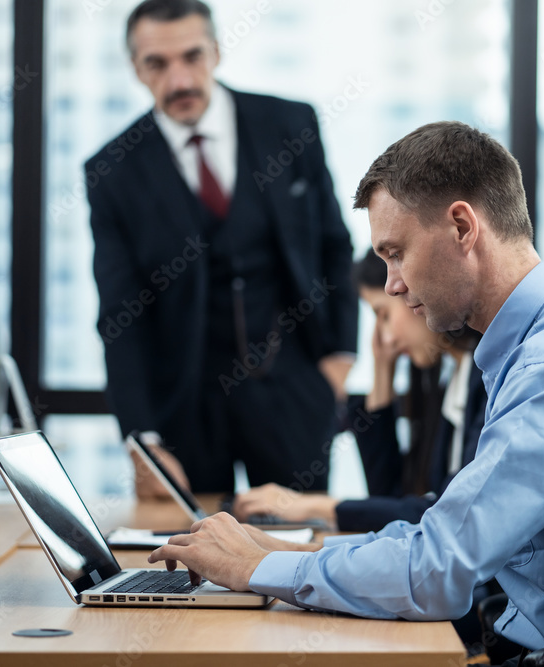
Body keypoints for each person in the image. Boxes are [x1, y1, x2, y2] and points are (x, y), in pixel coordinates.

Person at [147, 121, 544, 657]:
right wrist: (287, 555)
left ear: (461, 227)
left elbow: (437, 573)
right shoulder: (536, 345)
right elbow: (439, 536)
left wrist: (258, 569)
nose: (393, 285)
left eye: (395, 254)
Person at [85, 0, 358, 494]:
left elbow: (335, 245)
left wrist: (339, 359)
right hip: (184, 408)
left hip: (295, 391)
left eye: (192, 56)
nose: (180, 80)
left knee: (298, 557)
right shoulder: (112, 172)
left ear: (216, 50)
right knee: (187, 562)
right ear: (135, 69)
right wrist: (142, 439)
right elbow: (119, 314)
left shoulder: (290, 125)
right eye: (157, 64)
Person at [234, 247, 487, 533]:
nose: (384, 338)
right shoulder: (452, 382)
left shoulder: (483, 378)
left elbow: (445, 514)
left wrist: (315, 505)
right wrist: (382, 371)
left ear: (416, 293)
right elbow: (391, 497)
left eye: (383, 315)